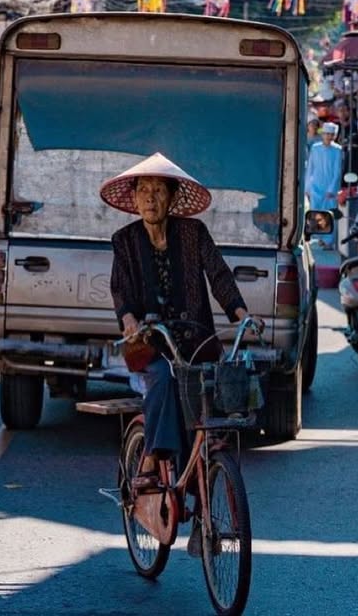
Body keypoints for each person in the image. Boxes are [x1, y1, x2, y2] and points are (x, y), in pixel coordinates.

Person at [104, 153, 251, 496]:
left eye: (158, 190)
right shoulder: (124, 241)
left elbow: (218, 275)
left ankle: (205, 517)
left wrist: (241, 313)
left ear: (172, 199)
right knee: (165, 378)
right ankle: (153, 457)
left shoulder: (193, 232)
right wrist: (129, 320)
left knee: (209, 414)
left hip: (197, 340)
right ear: (135, 197)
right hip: (150, 343)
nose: (150, 198)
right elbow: (120, 290)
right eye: (143, 191)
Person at [306, 121, 343, 211]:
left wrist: (332, 189)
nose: (328, 137)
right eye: (326, 134)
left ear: (334, 136)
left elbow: (337, 171)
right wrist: (307, 188)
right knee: (315, 214)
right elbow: (310, 168)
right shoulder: (315, 148)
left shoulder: (337, 149)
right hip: (315, 187)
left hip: (330, 189)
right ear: (322, 134)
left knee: (329, 215)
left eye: (331, 134)